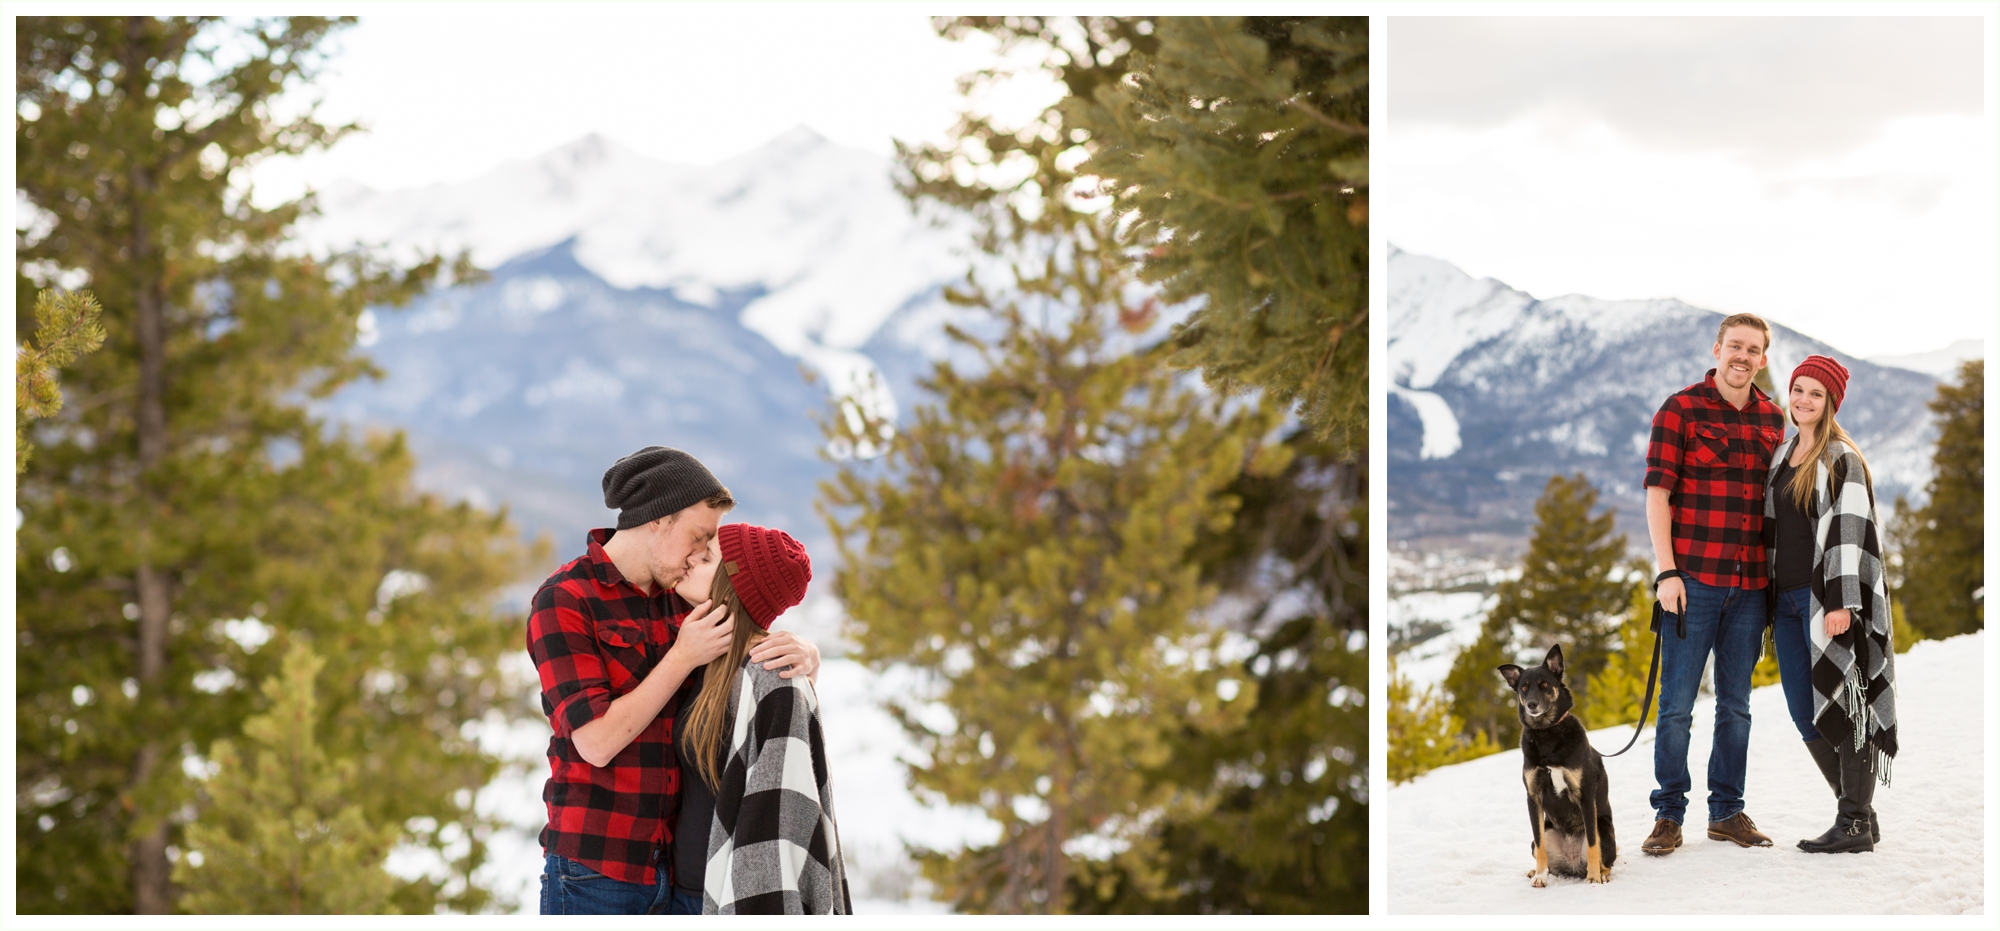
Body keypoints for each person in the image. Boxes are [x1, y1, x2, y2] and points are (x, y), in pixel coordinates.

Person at [527, 446, 822, 915]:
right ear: (659, 520)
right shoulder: (565, 600)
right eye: (699, 536)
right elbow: (596, 741)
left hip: (685, 876)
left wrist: (806, 654)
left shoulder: (683, 595)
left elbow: (747, 622)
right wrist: (682, 657)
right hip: (598, 872)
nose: (703, 553)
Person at [1639, 314, 1787, 855]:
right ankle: (1668, 814)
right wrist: (1666, 570)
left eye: (1753, 349)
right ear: (1717, 348)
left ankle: (1726, 812)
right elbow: (1658, 495)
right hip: (1692, 583)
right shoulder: (1680, 409)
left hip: (1751, 588)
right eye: (1734, 346)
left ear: (1763, 358)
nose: (1742, 356)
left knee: (1737, 706)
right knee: (1676, 705)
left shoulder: (1774, 418)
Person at [668, 523, 851, 914]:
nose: (690, 560)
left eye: (706, 557)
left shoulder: (771, 676)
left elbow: (782, 823)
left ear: (735, 587)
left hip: (734, 899)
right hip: (685, 895)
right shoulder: (710, 660)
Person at [1764, 355, 1898, 854]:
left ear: (1830, 402)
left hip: (1827, 603)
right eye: (1798, 389)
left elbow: (1848, 532)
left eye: (1815, 393)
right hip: (1787, 603)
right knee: (1806, 713)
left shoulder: (1841, 457)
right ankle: (1859, 814)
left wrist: (1842, 602)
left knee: (1845, 704)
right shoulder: (1782, 456)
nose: (1803, 399)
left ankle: (1853, 823)